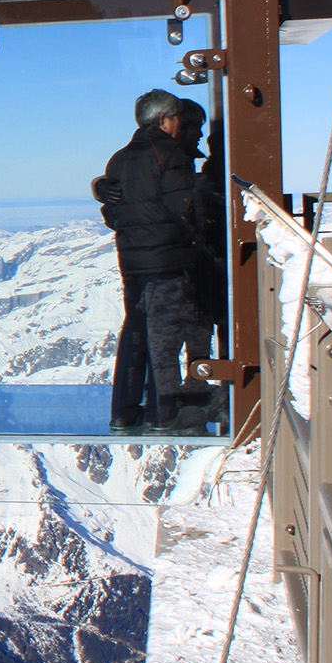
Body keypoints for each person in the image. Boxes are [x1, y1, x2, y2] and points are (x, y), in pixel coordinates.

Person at [92, 90, 215, 435]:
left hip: (132, 261)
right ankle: (164, 413)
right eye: (177, 117)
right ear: (165, 119)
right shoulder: (170, 153)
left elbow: (113, 214)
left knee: (136, 331)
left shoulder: (119, 159)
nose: (180, 124)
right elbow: (184, 206)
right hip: (168, 260)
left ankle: (124, 412)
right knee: (166, 336)